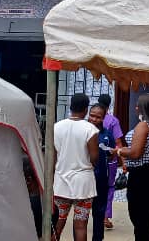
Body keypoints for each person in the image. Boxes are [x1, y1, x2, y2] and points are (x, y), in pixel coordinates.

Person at [53, 93, 100, 241]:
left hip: (61, 184)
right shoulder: (90, 130)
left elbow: (52, 158)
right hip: (83, 185)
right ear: (86, 109)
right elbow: (94, 158)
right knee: (80, 226)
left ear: (70, 106)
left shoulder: (56, 127)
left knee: (57, 225)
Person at [116, 93, 149, 241]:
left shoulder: (143, 126)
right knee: (146, 215)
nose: (135, 108)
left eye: (138, 105)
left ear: (144, 108)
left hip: (142, 174)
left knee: (138, 214)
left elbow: (135, 153)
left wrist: (119, 151)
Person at [88, 103, 117, 241]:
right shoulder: (83, 131)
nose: (94, 119)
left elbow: (111, 154)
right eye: (92, 115)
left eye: (98, 117)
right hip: (84, 177)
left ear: (104, 118)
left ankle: (98, 238)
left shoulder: (107, 134)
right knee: (81, 213)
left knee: (99, 212)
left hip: (100, 178)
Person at [96, 94, 125, 230]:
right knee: (109, 187)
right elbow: (118, 143)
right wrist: (124, 162)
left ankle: (97, 215)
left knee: (96, 187)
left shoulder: (91, 119)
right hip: (109, 161)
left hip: (94, 159)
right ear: (109, 106)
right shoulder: (113, 121)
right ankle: (105, 217)